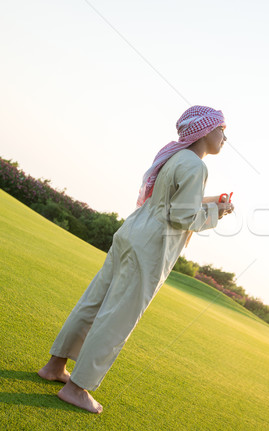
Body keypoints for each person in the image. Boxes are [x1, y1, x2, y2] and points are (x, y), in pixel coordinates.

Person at [37, 105, 234, 413]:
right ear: (206, 131)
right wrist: (216, 213)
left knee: (95, 301)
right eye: (222, 130)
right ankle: (77, 388)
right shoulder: (197, 166)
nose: (226, 137)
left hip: (132, 231)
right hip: (151, 245)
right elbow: (182, 216)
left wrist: (212, 202)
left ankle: (54, 367)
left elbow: (167, 201)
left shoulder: (174, 156)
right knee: (118, 316)